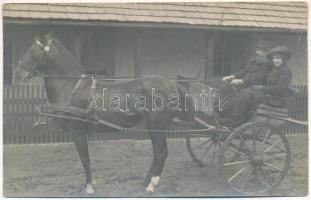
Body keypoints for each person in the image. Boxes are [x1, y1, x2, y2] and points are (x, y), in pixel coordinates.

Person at [220, 46, 293, 127]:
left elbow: (280, 89)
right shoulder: (274, 69)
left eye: (279, 59)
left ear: (284, 59)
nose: (276, 61)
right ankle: (229, 115)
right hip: (268, 95)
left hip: (275, 98)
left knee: (246, 94)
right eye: (274, 58)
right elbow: (247, 70)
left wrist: (262, 88)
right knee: (242, 92)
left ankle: (235, 121)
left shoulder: (286, 71)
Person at [216, 40, 273, 116]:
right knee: (226, 88)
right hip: (248, 88)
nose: (256, 52)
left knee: (242, 95)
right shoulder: (256, 62)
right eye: (256, 50)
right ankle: (220, 110)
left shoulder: (268, 66)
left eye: (259, 50)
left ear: (266, 53)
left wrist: (241, 81)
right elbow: (245, 70)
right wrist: (233, 76)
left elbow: (257, 78)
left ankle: (232, 118)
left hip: (258, 93)